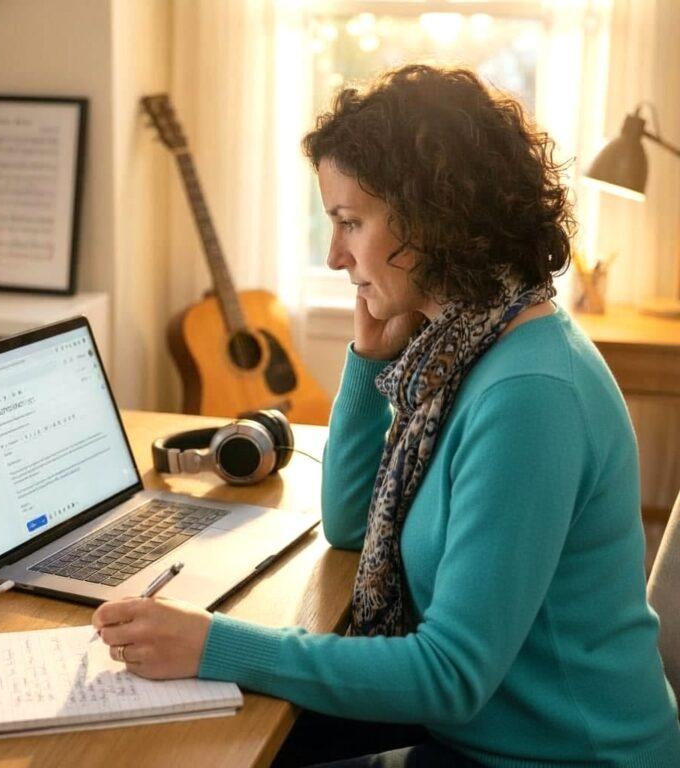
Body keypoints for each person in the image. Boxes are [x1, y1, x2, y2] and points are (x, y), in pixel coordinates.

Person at [92, 64, 680, 767]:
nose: (337, 255)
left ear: (434, 220)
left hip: (556, 756)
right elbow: (351, 527)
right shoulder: (460, 348)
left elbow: (450, 676)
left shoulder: (528, 393)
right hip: (488, 732)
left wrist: (213, 643)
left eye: (350, 223)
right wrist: (368, 360)